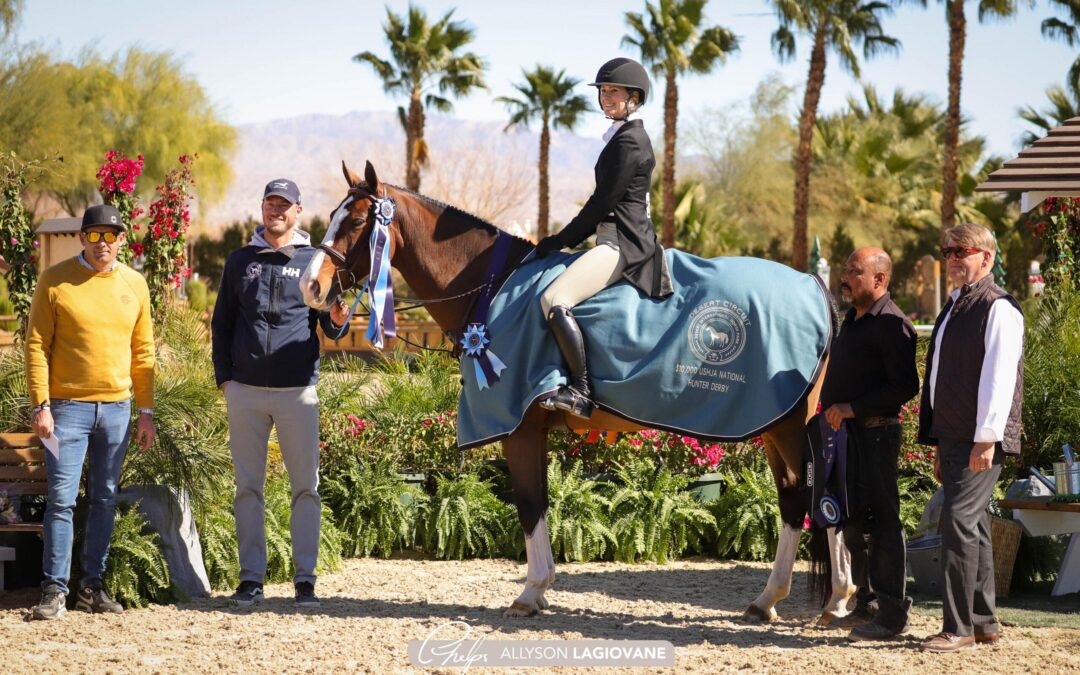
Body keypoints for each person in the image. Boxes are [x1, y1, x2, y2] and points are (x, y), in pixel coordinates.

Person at [211, 179, 348, 608]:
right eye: (271, 203)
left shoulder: (315, 262)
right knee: (247, 488)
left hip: (297, 393)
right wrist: (225, 380)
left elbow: (330, 325)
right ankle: (251, 579)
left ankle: (305, 581)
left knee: (305, 488)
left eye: (285, 205)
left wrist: (340, 318)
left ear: (298, 211)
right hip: (245, 392)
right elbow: (222, 324)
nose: (277, 211)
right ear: (263, 207)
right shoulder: (240, 261)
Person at [25, 204, 156, 620]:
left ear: (122, 239)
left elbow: (144, 352)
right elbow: (35, 346)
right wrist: (41, 405)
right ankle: (54, 590)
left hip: (117, 411)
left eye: (111, 235)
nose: (104, 243)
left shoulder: (135, 284)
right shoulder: (54, 280)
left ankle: (91, 588)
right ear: (82, 238)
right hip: (65, 412)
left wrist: (146, 411)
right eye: (95, 235)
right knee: (61, 501)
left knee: (104, 498)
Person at [533, 57, 673, 419]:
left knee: (555, 298)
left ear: (634, 97)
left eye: (615, 91)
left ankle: (581, 391)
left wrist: (562, 239)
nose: (607, 97)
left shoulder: (631, 141)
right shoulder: (623, 136)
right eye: (604, 91)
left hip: (620, 244)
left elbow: (603, 202)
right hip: (610, 237)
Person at [917, 223, 1024, 653]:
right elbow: (942, 376)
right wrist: (941, 441)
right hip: (954, 434)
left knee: (957, 523)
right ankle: (983, 622)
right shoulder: (955, 306)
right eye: (947, 251)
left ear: (987, 257)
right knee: (974, 526)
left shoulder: (999, 307)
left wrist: (985, 439)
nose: (952, 258)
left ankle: (957, 628)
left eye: (962, 250)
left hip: (982, 437)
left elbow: (1000, 379)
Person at [819, 247, 919, 641]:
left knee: (883, 524)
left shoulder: (893, 324)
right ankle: (868, 605)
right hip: (849, 436)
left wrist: (851, 407)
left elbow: (905, 386)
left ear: (879, 279)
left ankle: (893, 615)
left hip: (877, 434)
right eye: (845, 269)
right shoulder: (853, 319)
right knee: (853, 520)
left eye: (854, 271)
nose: (846, 276)